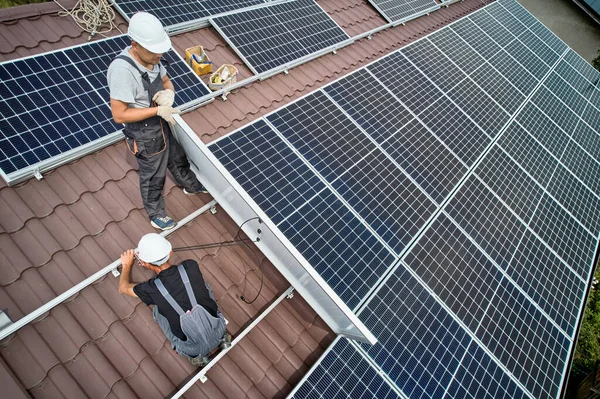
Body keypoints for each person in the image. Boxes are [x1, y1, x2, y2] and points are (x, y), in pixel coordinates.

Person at [107, 12, 206, 231]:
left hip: (160, 121)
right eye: (154, 52)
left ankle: (190, 185)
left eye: (161, 51)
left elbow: (165, 80)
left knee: (177, 156)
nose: (158, 56)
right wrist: (157, 110)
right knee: (153, 174)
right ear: (135, 45)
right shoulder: (122, 71)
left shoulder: (154, 58)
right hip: (143, 133)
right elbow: (119, 115)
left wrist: (169, 93)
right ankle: (156, 213)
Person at [119, 233, 231, 366]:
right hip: (219, 330)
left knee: (157, 310)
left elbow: (123, 288)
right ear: (170, 252)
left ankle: (199, 358)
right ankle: (223, 340)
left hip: (193, 349)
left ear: (145, 263)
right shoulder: (191, 265)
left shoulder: (151, 289)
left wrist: (126, 265)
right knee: (204, 286)